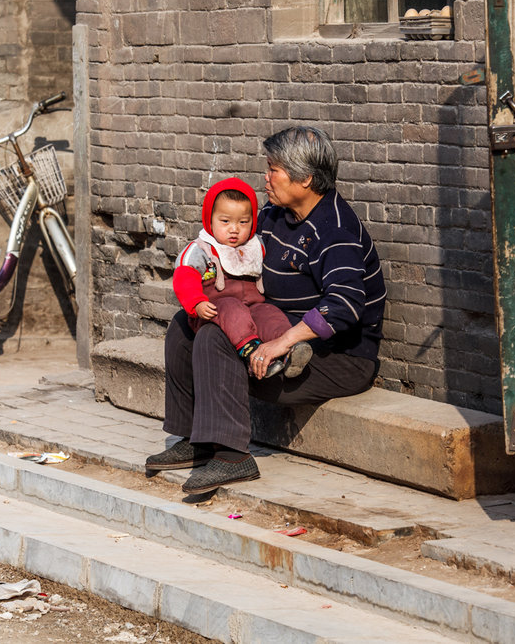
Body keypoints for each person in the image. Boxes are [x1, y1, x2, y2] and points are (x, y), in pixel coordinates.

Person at [147, 126, 386, 494]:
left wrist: (282, 343)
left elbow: (344, 304)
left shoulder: (335, 231)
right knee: (186, 323)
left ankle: (233, 456)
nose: (266, 177)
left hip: (334, 357)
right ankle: (197, 438)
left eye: (274, 170)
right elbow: (234, 246)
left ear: (305, 179)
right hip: (274, 326)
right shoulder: (275, 216)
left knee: (215, 338)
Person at [172, 177, 312, 379]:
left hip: (253, 306)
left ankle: (289, 350)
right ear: (209, 219)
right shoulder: (202, 249)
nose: (234, 229)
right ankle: (253, 355)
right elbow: (184, 277)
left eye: (243, 222)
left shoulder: (255, 245)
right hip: (215, 309)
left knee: (271, 314)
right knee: (233, 310)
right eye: (225, 221)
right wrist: (196, 303)